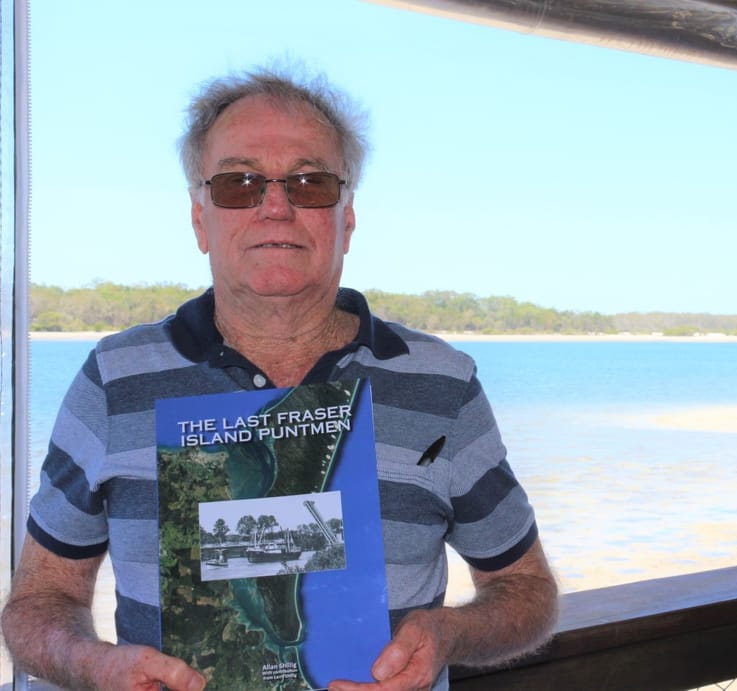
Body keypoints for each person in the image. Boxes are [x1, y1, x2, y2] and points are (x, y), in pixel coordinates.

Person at [1, 64, 558, 690]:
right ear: (199, 220)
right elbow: (36, 606)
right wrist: (93, 665)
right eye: (239, 184)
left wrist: (450, 634)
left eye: (309, 182)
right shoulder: (114, 379)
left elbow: (527, 592)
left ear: (345, 219)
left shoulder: (442, 384)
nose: (275, 206)